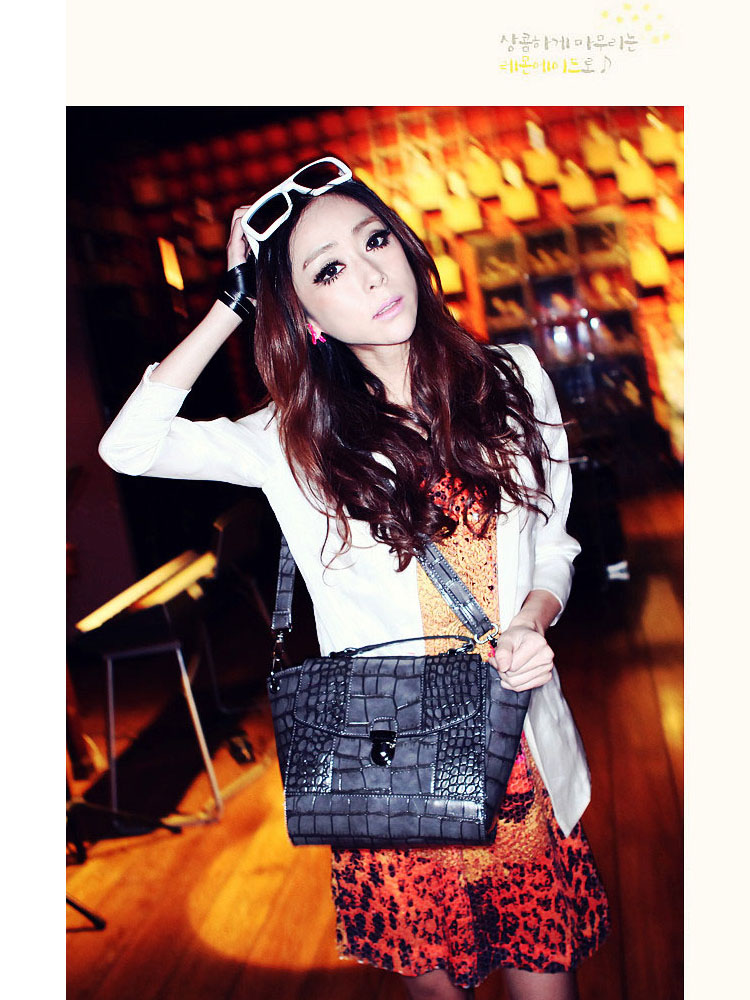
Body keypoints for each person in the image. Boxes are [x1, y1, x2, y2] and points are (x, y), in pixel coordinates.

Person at [98, 156, 610, 1000]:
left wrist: (534, 618)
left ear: (404, 244)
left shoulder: (513, 378)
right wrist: (232, 302)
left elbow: (555, 544)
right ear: (305, 316)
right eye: (328, 269)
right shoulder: (292, 439)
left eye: (374, 241)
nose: (370, 274)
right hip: (389, 761)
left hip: (517, 747)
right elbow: (130, 446)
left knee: (545, 980)